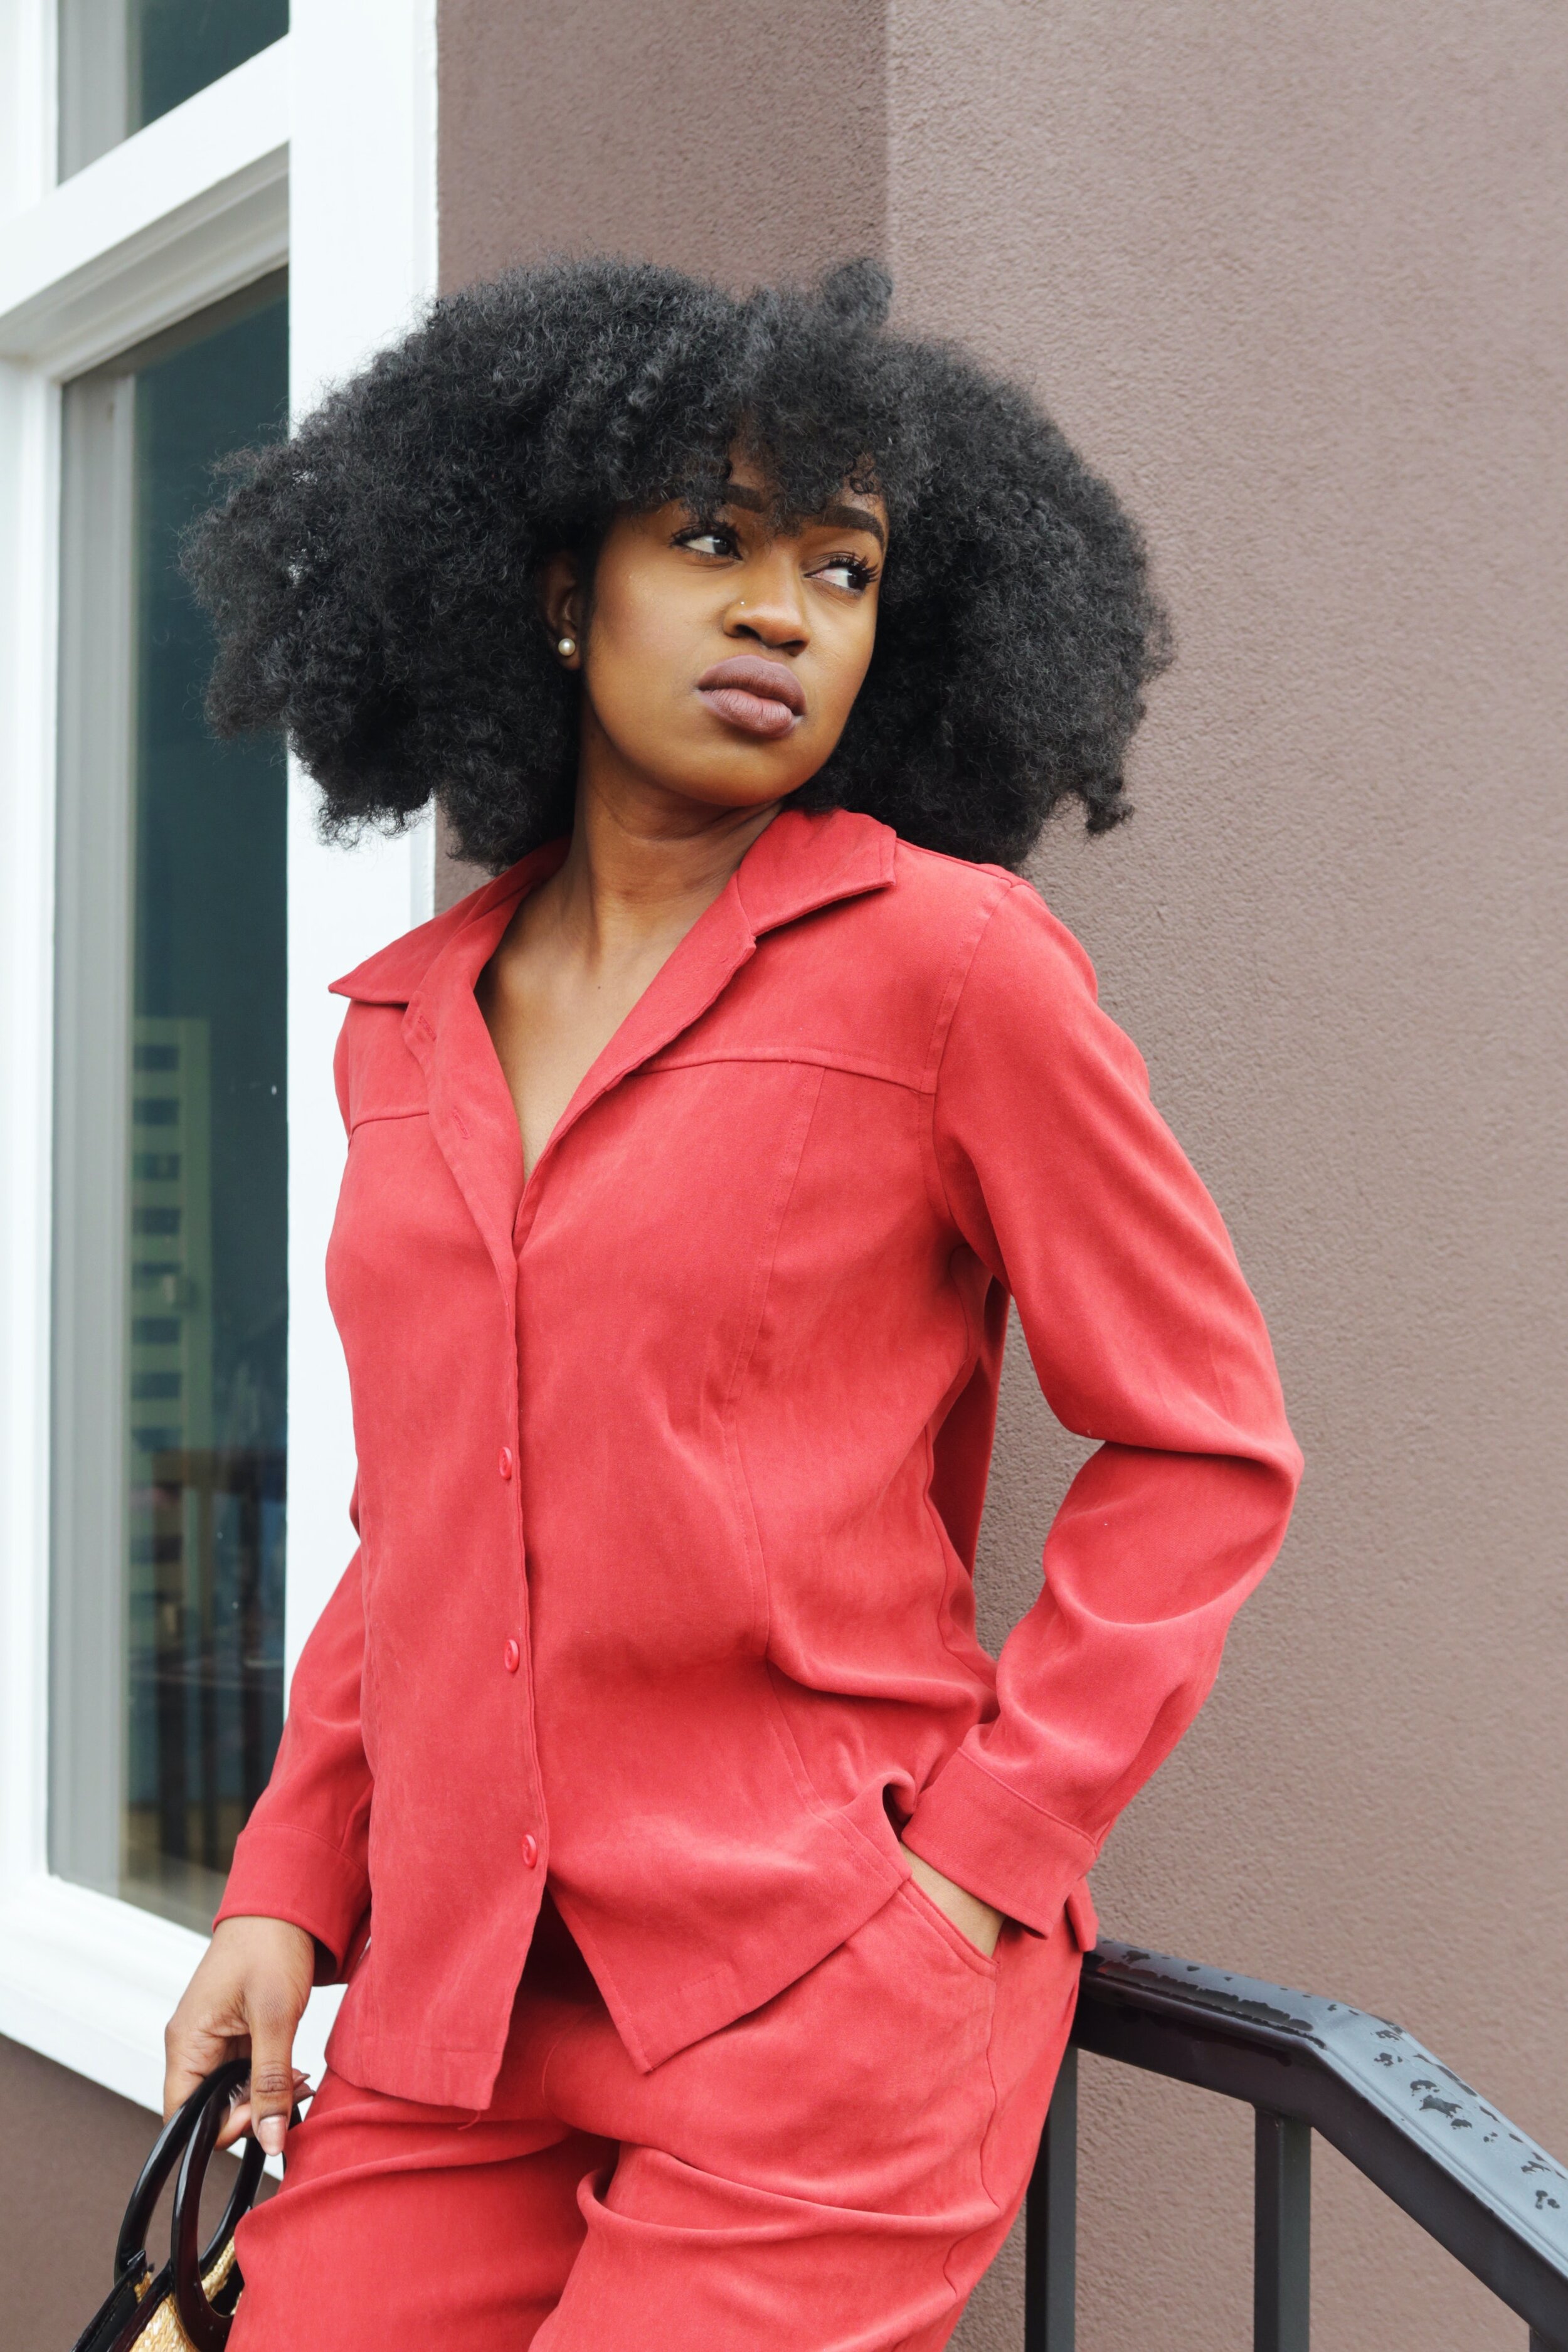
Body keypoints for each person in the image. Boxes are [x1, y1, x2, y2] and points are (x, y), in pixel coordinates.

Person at [165, 255, 1301, 2350]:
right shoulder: (400, 1026)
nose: (784, 611)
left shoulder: (948, 970)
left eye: (843, 568)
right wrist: (280, 1886)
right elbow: (432, 1525)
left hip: (813, 1991)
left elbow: (1202, 1445)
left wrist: (973, 1870)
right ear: (552, 588)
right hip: (457, 2004)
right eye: (711, 541)